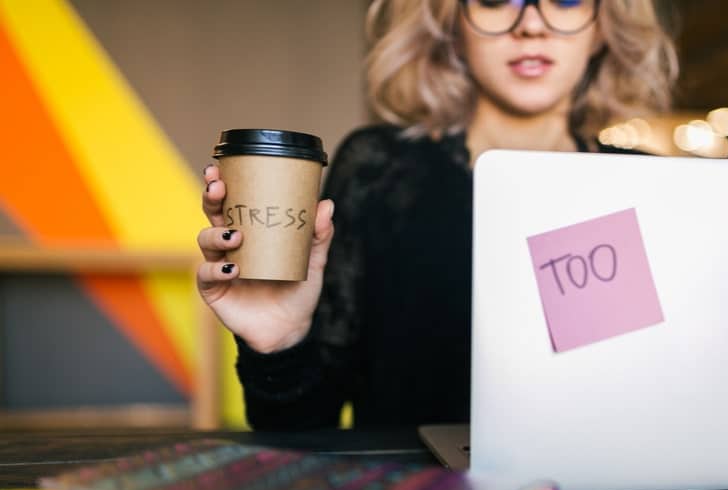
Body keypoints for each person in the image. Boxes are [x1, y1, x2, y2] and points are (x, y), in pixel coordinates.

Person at [197, 0, 677, 430]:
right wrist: (280, 343)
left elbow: (665, 403)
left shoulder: (648, 186)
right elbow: (302, 431)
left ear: (602, 25)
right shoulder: (379, 170)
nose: (531, 25)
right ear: (451, 25)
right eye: (494, 0)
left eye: (568, 0)